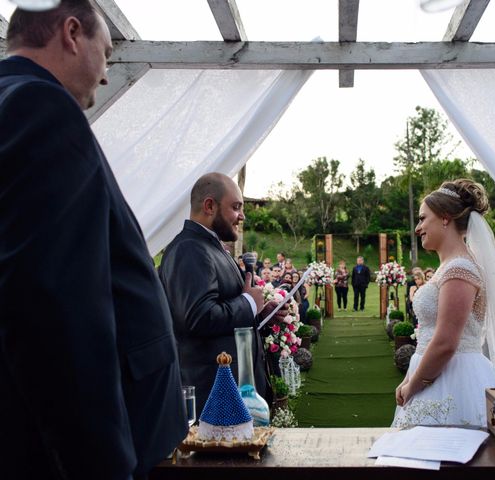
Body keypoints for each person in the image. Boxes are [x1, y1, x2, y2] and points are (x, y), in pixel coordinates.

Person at [0, 3, 188, 479]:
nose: (106, 75)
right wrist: (101, 465)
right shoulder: (40, 108)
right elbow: (57, 309)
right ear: (70, 33)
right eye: (105, 53)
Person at [159, 173, 285, 417]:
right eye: (236, 207)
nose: (242, 216)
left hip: (233, 397)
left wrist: (260, 313)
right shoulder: (189, 249)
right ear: (209, 206)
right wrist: (248, 302)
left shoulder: (209, 247)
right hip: (214, 400)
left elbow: (224, 316)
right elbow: (198, 317)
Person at [393, 179, 495, 427]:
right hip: (432, 371)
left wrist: (414, 385)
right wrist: (409, 378)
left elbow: (447, 342)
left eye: (422, 218)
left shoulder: (460, 269)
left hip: (453, 378)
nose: (418, 228)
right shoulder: (449, 267)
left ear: (445, 218)